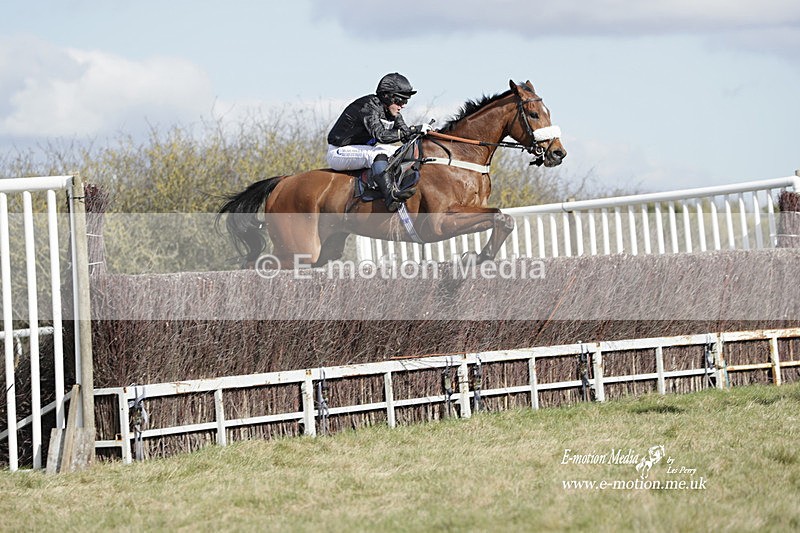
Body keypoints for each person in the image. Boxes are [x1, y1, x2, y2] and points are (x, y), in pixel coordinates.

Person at [327, 72, 432, 211]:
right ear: (387, 97)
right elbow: (381, 135)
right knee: (378, 154)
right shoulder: (368, 107)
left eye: (405, 101)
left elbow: (406, 137)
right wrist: (414, 129)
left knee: (398, 151)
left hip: (359, 149)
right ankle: (390, 197)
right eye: (400, 101)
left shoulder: (393, 113)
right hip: (339, 152)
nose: (403, 105)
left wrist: (425, 134)